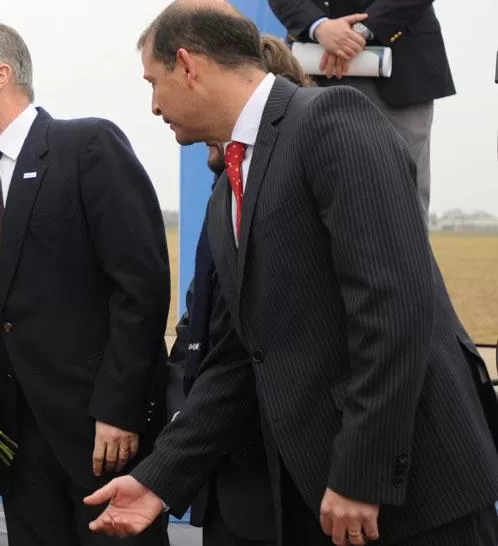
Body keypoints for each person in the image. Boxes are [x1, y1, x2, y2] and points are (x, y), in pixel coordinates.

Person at [88, 2, 498, 545]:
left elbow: (394, 310)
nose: (155, 105)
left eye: (153, 82)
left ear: (187, 65)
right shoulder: (228, 191)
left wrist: (361, 474)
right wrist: (158, 481)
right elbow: (238, 358)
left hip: (414, 497)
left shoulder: (332, 119)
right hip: (327, 500)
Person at [0, 22, 171, 546]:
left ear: (0, 74)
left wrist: (119, 408)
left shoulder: (86, 145)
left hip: (101, 434)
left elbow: (141, 286)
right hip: (18, 440)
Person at [166, 32, 315, 546]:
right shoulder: (220, 197)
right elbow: (205, 317)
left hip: (287, 474)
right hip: (224, 475)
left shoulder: (308, 162)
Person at [267, 0, 454, 217]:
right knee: (308, 206)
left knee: (400, 203)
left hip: (396, 68)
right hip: (310, 67)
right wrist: (318, 27)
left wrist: (356, 34)